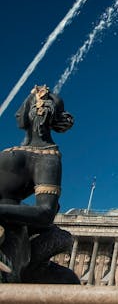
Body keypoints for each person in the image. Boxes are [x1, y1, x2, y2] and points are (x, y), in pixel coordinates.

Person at [0, 85, 78, 283]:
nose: (38, 110)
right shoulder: (14, 150)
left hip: (7, 229)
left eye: (44, 108)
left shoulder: (48, 158)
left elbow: (45, 213)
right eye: (34, 104)